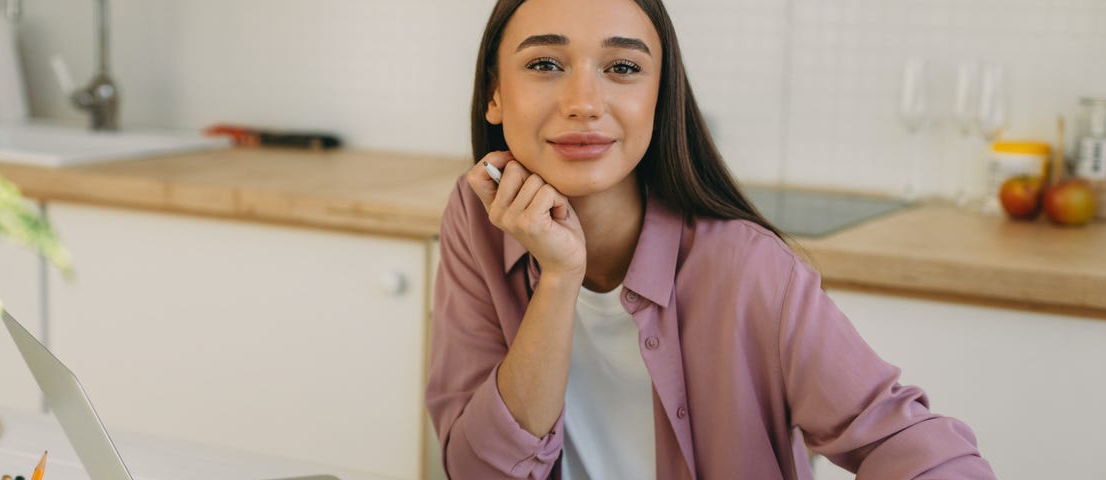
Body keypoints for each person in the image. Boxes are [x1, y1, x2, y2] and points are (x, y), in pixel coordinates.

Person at [424, 0, 996, 478]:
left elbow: (901, 439)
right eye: (546, 63)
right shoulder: (478, 219)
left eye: (622, 68)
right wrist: (560, 277)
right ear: (494, 94)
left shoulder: (749, 266)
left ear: (659, 97)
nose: (585, 103)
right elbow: (478, 471)